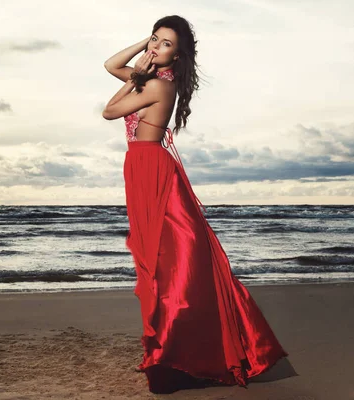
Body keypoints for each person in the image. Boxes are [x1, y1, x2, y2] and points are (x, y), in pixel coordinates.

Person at [102, 15, 289, 394]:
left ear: (180, 55)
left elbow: (109, 111)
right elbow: (110, 66)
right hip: (141, 169)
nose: (156, 47)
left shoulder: (157, 84)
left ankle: (177, 356)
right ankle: (168, 354)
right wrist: (147, 45)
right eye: (155, 39)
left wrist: (142, 69)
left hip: (153, 170)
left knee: (168, 265)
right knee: (153, 263)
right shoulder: (150, 78)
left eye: (166, 44)